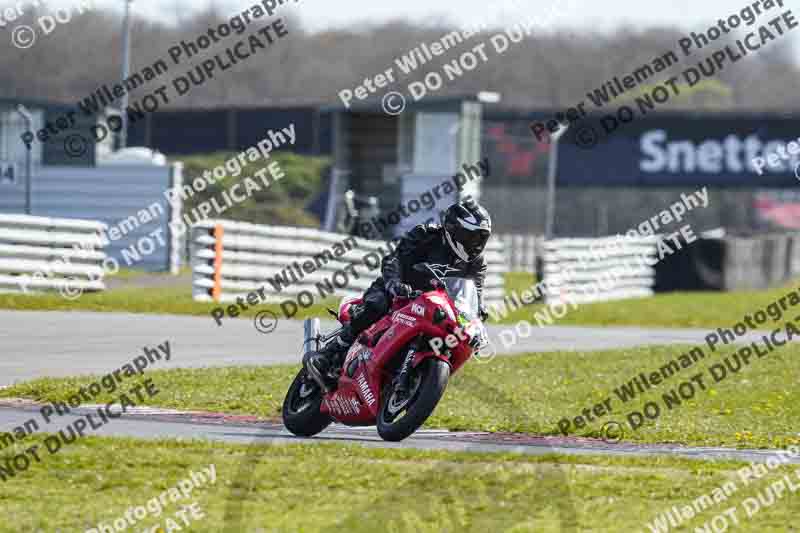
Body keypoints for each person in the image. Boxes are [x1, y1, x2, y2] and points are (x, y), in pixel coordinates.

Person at [305, 197, 492, 389]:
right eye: (472, 237)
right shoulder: (425, 235)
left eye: (481, 238)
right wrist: (394, 283)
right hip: (398, 293)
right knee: (377, 305)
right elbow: (395, 259)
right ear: (454, 229)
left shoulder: (476, 262)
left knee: (455, 338)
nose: (476, 244)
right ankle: (330, 352)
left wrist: (478, 313)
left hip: (435, 307)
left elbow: (476, 290)